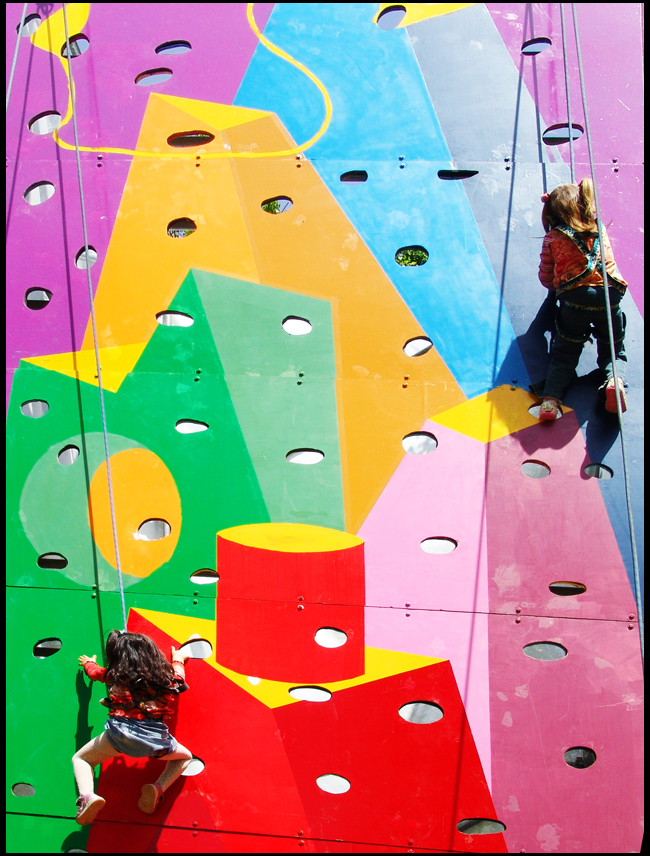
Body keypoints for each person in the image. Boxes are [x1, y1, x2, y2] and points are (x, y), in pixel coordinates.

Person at [73, 630, 192, 825]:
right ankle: (158, 788)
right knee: (184, 758)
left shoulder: (114, 676)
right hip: (154, 742)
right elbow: (179, 677)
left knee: (81, 759)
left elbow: (95, 673)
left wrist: (88, 662)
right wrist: (178, 658)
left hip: (118, 737)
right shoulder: (166, 679)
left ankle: (87, 796)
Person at [534, 179, 628, 420]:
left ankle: (550, 401)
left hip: (576, 299)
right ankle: (613, 381)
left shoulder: (553, 238)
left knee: (565, 352)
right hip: (610, 296)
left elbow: (547, 274)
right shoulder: (600, 229)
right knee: (613, 348)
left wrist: (552, 288)